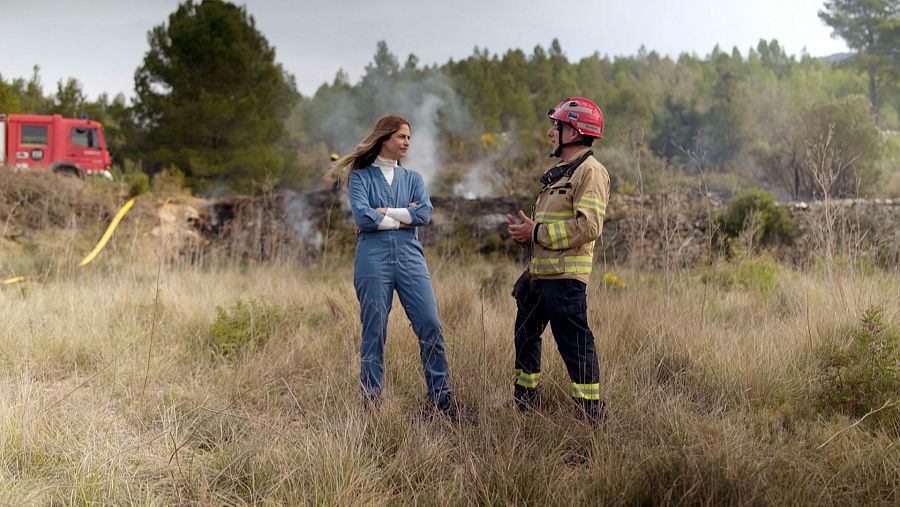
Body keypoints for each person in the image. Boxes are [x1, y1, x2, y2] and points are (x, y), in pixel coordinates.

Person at [329, 115, 458, 418]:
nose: (407, 142)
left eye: (409, 138)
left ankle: (441, 400)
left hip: (411, 258)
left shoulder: (413, 178)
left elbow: (425, 213)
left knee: (430, 324)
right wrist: (403, 216)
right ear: (384, 138)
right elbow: (362, 217)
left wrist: (384, 213)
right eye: (401, 137)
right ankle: (371, 401)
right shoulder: (360, 176)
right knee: (374, 329)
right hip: (373, 260)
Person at [506, 97, 610, 422]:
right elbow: (548, 228)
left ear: (575, 131)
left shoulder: (591, 172)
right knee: (525, 337)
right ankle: (525, 402)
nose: (552, 132)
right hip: (540, 277)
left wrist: (535, 232)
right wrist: (528, 242)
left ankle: (590, 413)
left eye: (558, 126)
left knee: (574, 345)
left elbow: (589, 226)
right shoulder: (561, 175)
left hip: (566, 281)